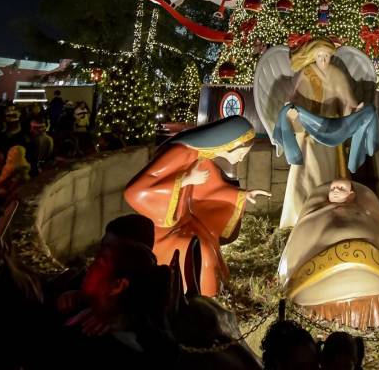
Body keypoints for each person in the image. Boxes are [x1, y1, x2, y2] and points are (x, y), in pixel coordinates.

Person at [124, 116, 270, 296]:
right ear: (228, 144)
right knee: (203, 253)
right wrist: (185, 180)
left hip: (185, 221)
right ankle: (197, 297)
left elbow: (210, 191)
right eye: (241, 153)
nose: (241, 158)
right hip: (162, 228)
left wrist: (243, 195)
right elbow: (135, 191)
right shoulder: (180, 152)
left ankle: (213, 294)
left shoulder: (201, 157)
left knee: (208, 239)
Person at [269, 38, 377, 229]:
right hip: (308, 133)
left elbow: (348, 102)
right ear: (313, 57)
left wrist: (355, 111)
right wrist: (293, 113)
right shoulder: (306, 73)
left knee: (329, 173)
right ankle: (299, 217)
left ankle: (330, 215)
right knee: (305, 174)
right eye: (319, 56)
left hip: (331, 132)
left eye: (326, 56)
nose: (323, 60)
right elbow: (296, 100)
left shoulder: (337, 74)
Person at [278, 179, 379, 328]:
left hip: (372, 265)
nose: (335, 190)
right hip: (319, 271)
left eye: (341, 188)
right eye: (333, 188)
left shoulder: (364, 212)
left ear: (352, 194)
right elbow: (301, 237)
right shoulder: (316, 214)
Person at [38, 240, 178, 368]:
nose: (89, 268)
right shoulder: (83, 306)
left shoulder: (97, 347)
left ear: (117, 285)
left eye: (98, 264)